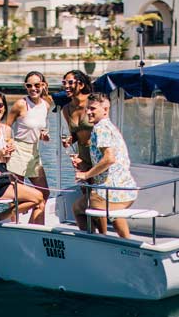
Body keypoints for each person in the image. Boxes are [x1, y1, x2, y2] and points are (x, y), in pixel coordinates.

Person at [0, 91, 45, 224]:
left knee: (39, 199)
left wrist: (7, 153)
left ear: (4, 107)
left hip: (4, 174)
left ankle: (2, 217)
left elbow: (4, 157)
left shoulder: (7, 129)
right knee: (38, 198)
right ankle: (1, 216)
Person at [72, 93, 137, 238]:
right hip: (127, 190)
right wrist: (83, 163)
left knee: (78, 207)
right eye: (87, 108)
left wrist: (86, 175)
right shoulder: (110, 127)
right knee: (113, 215)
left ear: (105, 110)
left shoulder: (100, 128)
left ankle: (92, 243)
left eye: (93, 109)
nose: (88, 112)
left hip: (111, 191)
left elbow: (109, 159)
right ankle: (126, 242)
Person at [6, 71, 52, 224]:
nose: (33, 88)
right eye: (29, 85)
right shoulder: (21, 104)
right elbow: (7, 126)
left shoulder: (46, 104)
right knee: (18, 195)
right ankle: (13, 225)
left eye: (37, 85)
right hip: (18, 150)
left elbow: (39, 128)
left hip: (34, 151)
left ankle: (34, 225)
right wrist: (9, 141)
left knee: (44, 193)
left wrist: (44, 135)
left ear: (43, 85)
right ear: (25, 87)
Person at [60, 70, 93, 173]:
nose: (66, 86)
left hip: (97, 152)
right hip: (82, 155)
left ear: (81, 85)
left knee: (97, 187)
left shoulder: (93, 102)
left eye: (70, 82)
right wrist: (69, 140)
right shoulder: (66, 109)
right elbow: (74, 135)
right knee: (85, 187)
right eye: (64, 83)